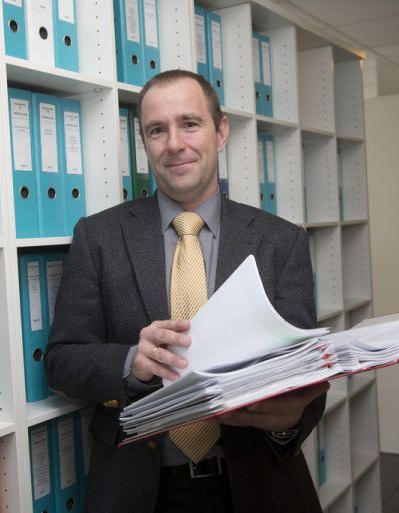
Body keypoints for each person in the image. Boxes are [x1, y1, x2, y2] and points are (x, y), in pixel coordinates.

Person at [45, 69, 328, 513]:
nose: (174, 143)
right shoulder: (98, 237)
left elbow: (305, 373)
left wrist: (286, 421)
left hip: (256, 482)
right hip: (139, 489)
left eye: (190, 124)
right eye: (157, 130)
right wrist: (131, 363)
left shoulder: (281, 241)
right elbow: (62, 362)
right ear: (144, 143)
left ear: (221, 132)